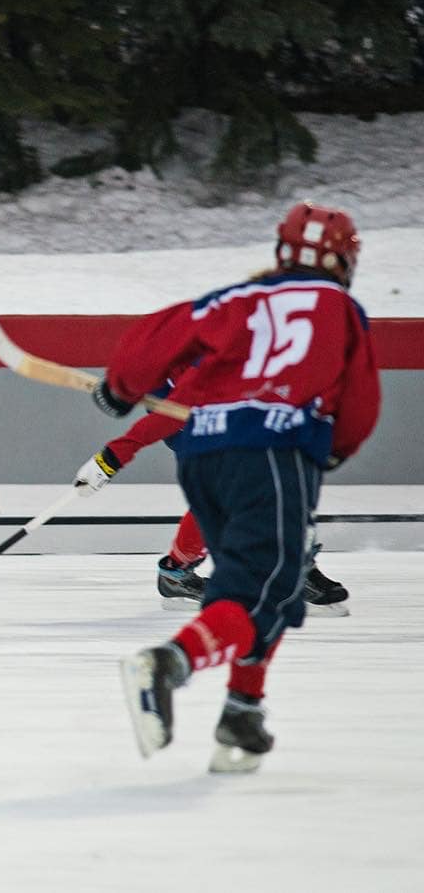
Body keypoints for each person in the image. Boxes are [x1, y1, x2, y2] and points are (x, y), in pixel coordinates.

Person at [80, 202, 380, 773]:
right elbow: (360, 404)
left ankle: (242, 715)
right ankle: (169, 662)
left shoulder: (240, 298)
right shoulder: (342, 309)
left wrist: (120, 389)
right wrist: (335, 449)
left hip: (202, 457)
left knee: (265, 587)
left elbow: (157, 338)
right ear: (342, 260)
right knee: (261, 591)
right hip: (271, 454)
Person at [77, 378, 352, 614]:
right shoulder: (193, 342)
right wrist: (112, 456)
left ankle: (178, 573)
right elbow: (166, 412)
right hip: (193, 409)